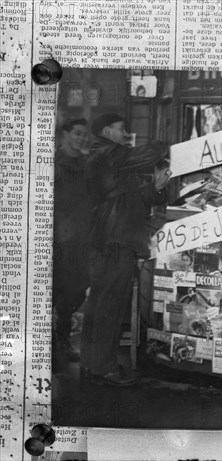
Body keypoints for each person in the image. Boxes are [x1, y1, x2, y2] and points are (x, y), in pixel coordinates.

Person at [80, 113, 171, 386]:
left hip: (111, 239)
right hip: (115, 241)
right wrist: (166, 143)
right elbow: (144, 155)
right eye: (121, 129)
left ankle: (92, 363)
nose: (126, 134)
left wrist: (156, 187)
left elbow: (132, 196)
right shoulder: (107, 152)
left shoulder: (109, 159)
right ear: (106, 130)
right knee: (109, 306)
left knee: (102, 304)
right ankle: (104, 368)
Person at [53, 118, 92, 369]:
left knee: (76, 291)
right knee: (55, 292)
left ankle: (62, 342)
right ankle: (55, 348)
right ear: (65, 134)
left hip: (81, 239)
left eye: (84, 135)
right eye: (77, 133)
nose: (81, 138)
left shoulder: (87, 164)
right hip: (56, 239)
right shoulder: (52, 163)